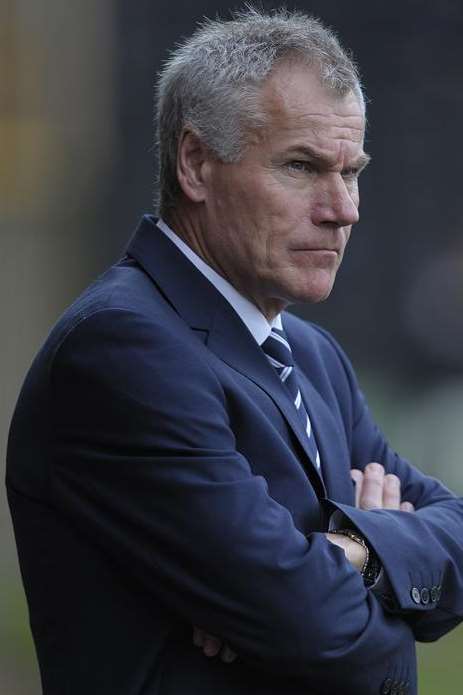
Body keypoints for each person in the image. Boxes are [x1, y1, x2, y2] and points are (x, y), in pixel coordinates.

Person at [6, 7, 463, 695]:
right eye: (302, 166)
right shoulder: (122, 350)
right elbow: (323, 631)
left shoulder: (310, 355)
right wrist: (380, 569)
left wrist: (353, 554)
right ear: (195, 162)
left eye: (352, 170)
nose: (343, 208)